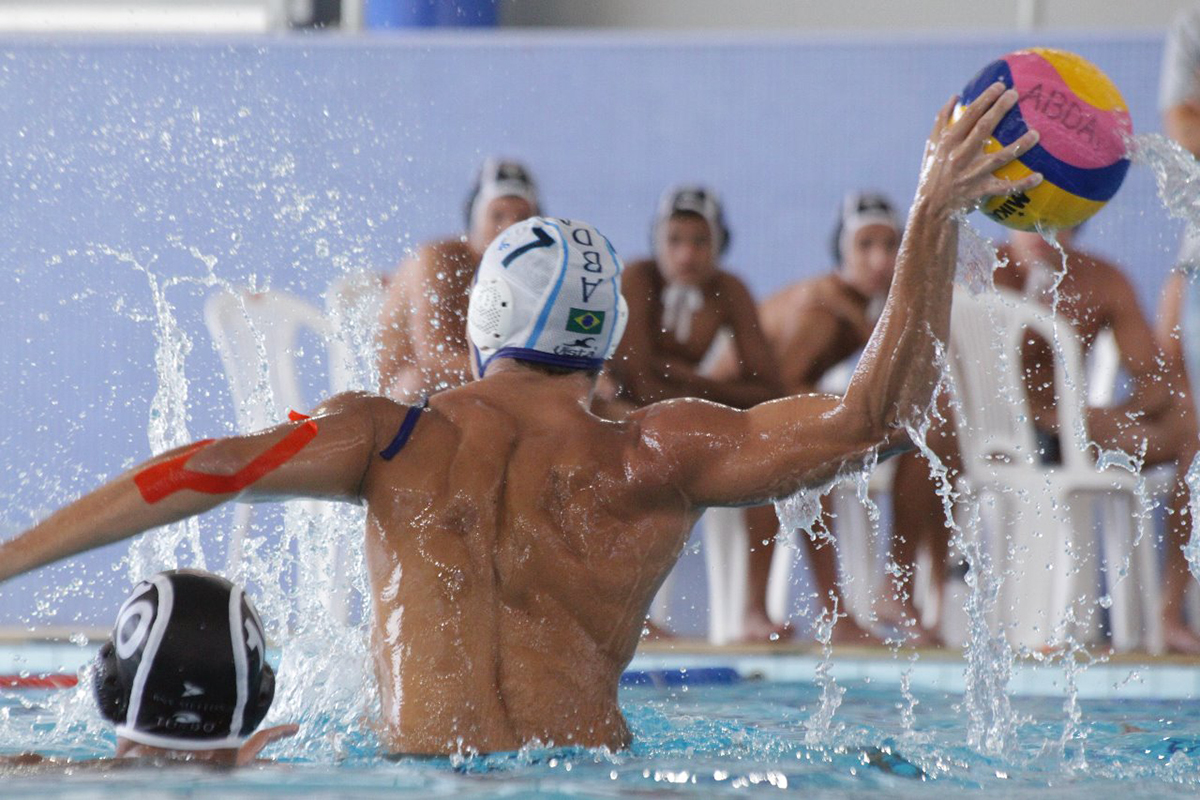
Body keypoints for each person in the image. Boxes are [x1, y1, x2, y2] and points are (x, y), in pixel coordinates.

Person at [0, 83, 1040, 755]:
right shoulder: (655, 448)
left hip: (413, 775)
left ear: (487, 310)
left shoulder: (390, 435)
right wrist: (933, 213)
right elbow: (874, 417)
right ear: (604, 333)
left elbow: (199, 468)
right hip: (585, 769)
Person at [707, 191, 902, 644]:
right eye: (866, 245)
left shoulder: (862, 304)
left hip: (755, 413)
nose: (880, 259)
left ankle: (891, 590)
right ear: (843, 251)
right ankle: (782, 611)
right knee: (800, 469)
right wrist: (840, 420)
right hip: (729, 416)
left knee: (823, 457)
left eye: (891, 246)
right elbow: (777, 394)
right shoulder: (823, 310)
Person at [608, 186, 784, 639]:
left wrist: (687, 379)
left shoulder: (729, 290)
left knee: (766, 460)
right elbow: (637, 380)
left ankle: (753, 610)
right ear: (656, 242)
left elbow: (768, 387)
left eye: (699, 242)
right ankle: (630, 609)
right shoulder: (637, 280)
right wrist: (706, 390)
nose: (686, 255)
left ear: (719, 245)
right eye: (675, 241)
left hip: (685, 418)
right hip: (623, 415)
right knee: (634, 447)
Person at [1, 570, 296, 768]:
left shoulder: (35, 778)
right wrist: (225, 767)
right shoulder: (279, 780)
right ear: (260, 698)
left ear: (109, 683)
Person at [377, 158, 540, 401]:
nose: (510, 228)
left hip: (478, 388)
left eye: (522, 218)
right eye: (497, 216)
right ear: (474, 219)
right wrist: (525, 375)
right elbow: (433, 355)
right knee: (420, 381)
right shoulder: (438, 259)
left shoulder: (532, 271)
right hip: (401, 393)